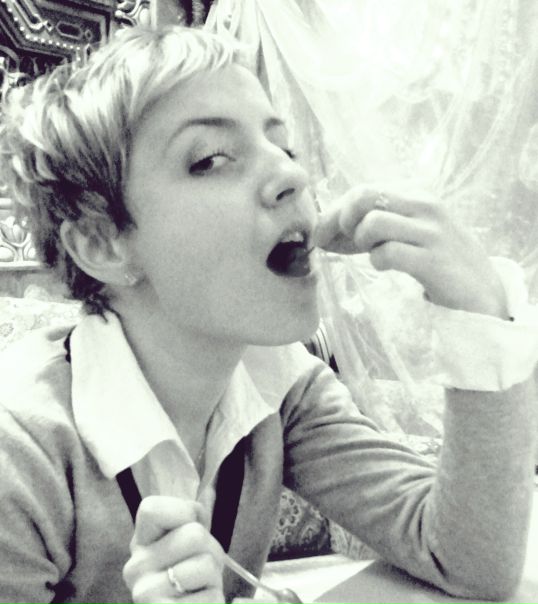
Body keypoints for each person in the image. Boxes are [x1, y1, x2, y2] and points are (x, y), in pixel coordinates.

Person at [0, 24, 536, 604]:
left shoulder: (280, 386)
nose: (292, 175)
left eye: (284, 147)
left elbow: (466, 559)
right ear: (102, 244)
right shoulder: (21, 454)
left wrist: (477, 313)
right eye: (210, 159)